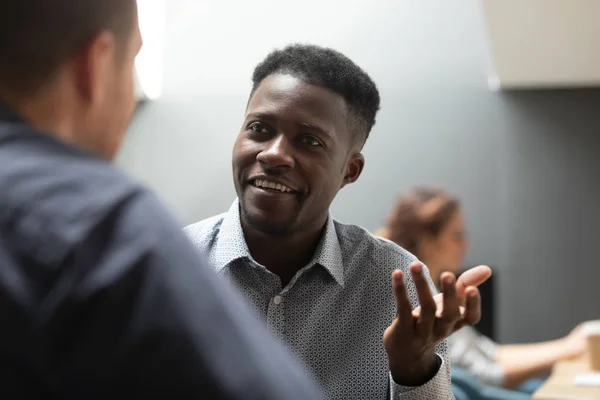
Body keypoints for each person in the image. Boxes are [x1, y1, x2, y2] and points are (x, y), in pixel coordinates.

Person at [0, 1, 323, 399]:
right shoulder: (98, 226)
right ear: (96, 64)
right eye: (132, 58)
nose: (274, 156)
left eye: (310, 141)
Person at [184, 43, 492, 399]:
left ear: (350, 169)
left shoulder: (398, 285)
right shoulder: (170, 268)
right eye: (259, 128)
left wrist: (414, 368)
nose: (274, 154)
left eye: (309, 140)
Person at [377, 186, 587, 395]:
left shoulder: (434, 288)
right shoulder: (414, 302)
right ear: (426, 240)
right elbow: (486, 375)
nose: (466, 245)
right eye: (457, 236)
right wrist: (570, 348)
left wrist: (571, 344)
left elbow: (489, 353)